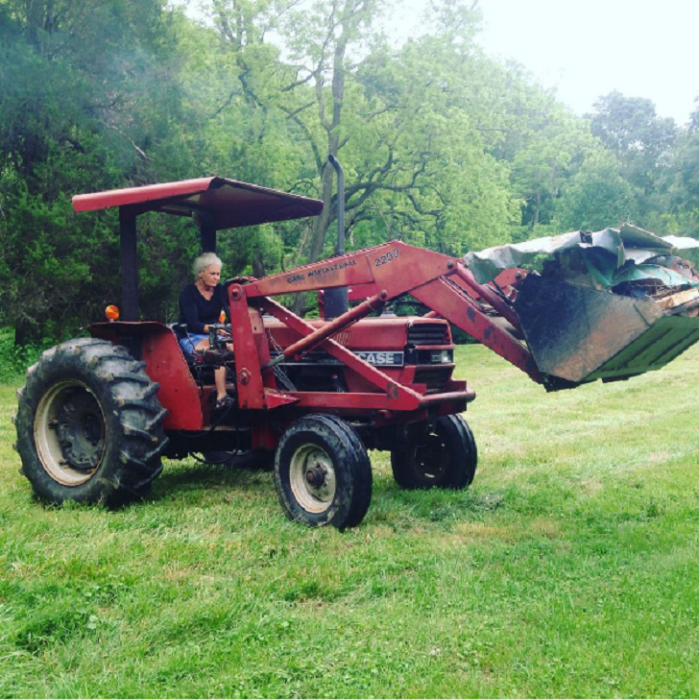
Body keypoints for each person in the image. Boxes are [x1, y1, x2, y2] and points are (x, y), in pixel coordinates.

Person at [179, 252, 233, 410]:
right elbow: (193, 324)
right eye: (213, 274)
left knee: (237, 348)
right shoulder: (188, 293)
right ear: (201, 273)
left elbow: (230, 312)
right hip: (191, 336)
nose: (216, 278)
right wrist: (216, 329)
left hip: (214, 335)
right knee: (218, 350)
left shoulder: (220, 291)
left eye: (218, 274)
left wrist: (228, 327)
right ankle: (222, 397)